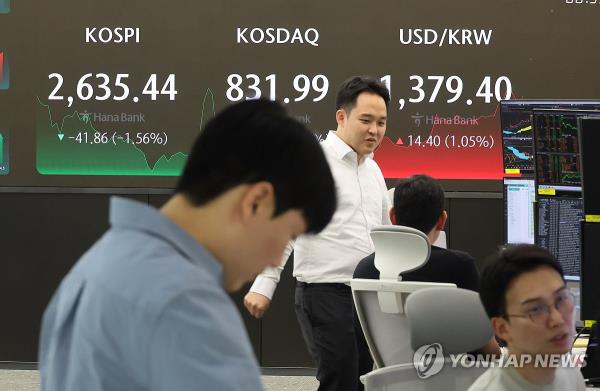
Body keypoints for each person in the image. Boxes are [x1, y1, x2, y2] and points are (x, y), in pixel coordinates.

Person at [38, 99, 337, 391]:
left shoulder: (93, 266)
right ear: (256, 202)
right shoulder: (185, 303)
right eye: (288, 233)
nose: (275, 259)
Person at [244, 76, 391, 391]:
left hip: (367, 295)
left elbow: (385, 233)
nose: (374, 130)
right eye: (366, 120)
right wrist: (263, 285)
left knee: (364, 378)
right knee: (340, 377)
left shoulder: (374, 170)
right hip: (324, 293)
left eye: (381, 122)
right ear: (342, 116)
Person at [353, 174, 498, 378]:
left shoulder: (365, 269)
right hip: (452, 381)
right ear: (441, 220)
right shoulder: (459, 266)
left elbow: (361, 346)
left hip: (392, 382)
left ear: (392, 216)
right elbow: (484, 347)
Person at [468, 245, 586, 390]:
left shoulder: (567, 371)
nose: (558, 320)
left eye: (561, 299)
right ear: (502, 328)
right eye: (536, 310)